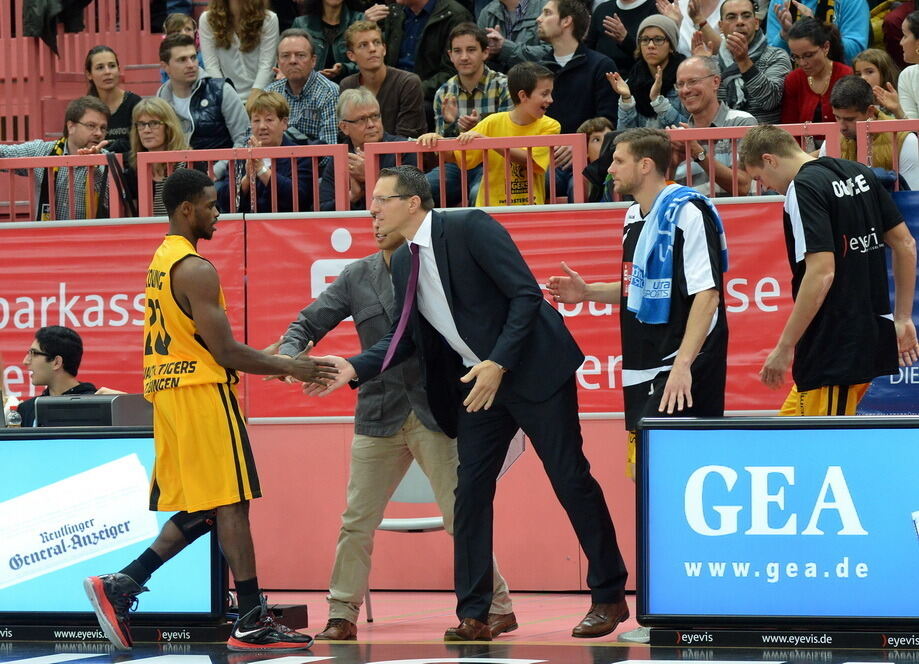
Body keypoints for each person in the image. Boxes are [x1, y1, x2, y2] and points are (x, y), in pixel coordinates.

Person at [312, 165, 631, 642]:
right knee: (470, 493)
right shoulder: (402, 262)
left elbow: (525, 296)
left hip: (532, 369)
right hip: (478, 386)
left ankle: (608, 597)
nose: (372, 208)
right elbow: (406, 339)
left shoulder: (470, 226)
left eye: (382, 199)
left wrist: (497, 362)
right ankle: (478, 613)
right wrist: (354, 366)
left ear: (413, 202)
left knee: (570, 479)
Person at [83, 168, 337, 652]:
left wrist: (270, 362)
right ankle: (249, 621)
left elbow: (201, 344)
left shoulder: (162, 257)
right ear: (186, 209)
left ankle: (123, 583)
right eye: (210, 204)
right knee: (234, 501)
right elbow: (223, 352)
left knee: (211, 504)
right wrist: (292, 367)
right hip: (201, 393)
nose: (217, 213)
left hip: (171, 394)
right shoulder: (197, 268)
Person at [277, 218, 515, 641]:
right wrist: (291, 356)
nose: (377, 221)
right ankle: (341, 614)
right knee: (356, 520)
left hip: (435, 412)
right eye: (371, 213)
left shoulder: (437, 270)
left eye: (384, 208)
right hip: (377, 413)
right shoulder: (356, 275)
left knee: (462, 517)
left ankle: (497, 606)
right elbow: (308, 322)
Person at [547, 127, 729, 642]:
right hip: (642, 369)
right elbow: (639, 291)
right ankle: (668, 604)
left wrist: (683, 365)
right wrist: (589, 292)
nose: (611, 169)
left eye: (619, 160)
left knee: (683, 489)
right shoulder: (632, 218)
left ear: (646, 166)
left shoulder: (690, 213)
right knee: (649, 486)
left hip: (679, 369)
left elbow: (707, 296)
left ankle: (691, 604)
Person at [738, 124, 919, 415]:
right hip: (861, 334)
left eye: (761, 178)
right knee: (788, 434)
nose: (767, 187)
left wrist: (785, 347)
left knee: (823, 448)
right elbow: (905, 244)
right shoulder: (857, 172)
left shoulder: (803, 188)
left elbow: (822, 273)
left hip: (834, 345)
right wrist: (902, 318)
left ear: (770, 159)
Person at [418, 61, 560, 206]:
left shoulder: (551, 126)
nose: (550, 100)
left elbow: (530, 160)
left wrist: (488, 142)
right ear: (523, 96)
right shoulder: (492, 122)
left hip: (530, 208)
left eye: (550, 93)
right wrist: (436, 141)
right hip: (491, 209)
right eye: (544, 94)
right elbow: (457, 156)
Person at [428, 22, 512, 205]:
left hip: (493, 163)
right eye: (457, 51)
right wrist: (451, 125)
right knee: (421, 188)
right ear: (450, 56)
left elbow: (509, 138)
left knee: (479, 192)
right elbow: (443, 151)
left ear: (485, 52)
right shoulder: (443, 92)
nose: (464, 57)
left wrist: (478, 130)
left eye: (471, 50)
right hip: (457, 165)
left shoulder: (504, 85)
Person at [0, 96, 110, 221]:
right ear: (71, 127)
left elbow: (111, 205)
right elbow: (3, 153)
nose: (99, 133)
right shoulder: (42, 151)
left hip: (91, 237)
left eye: (103, 128)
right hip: (46, 237)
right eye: (91, 125)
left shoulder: (108, 160)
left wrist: (94, 166)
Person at [157, 33, 249, 180]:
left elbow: (245, 138)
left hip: (224, 179)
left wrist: (216, 171)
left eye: (193, 57)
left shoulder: (221, 90)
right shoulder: (162, 96)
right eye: (182, 60)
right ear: (165, 66)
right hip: (179, 179)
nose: (191, 64)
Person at [216, 91, 315, 212]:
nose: (262, 126)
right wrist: (247, 179)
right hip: (248, 227)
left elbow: (301, 198)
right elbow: (224, 201)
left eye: (269, 120)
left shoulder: (300, 156)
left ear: (284, 123)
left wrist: (262, 170)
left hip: (287, 226)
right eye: (256, 121)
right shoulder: (241, 156)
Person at [319, 88, 415, 210]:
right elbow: (322, 209)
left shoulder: (403, 149)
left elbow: (412, 198)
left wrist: (371, 176)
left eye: (375, 116)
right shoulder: (340, 157)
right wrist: (352, 197)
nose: (371, 124)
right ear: (344, 127)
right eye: (362, 119)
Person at [697, 0, 791, 124]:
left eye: (746, 16)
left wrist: (744, 61)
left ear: (756, 23)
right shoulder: (712, 64)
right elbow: (696, 109)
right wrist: (698, 71)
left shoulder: (776, 56)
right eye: (731, 17)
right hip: (723, 140)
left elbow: (770, 101)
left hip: (766, 139)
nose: (740, 22)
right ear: (721, 26)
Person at [673, 55, 755, 196]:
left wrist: (698, 154)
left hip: (736, 216)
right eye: (680, 84)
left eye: (693, 81)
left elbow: (743, 187)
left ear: (715, 82)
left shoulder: (741, 122)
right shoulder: (678, 136)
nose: (685, 90)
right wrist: (671, 162)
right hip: (694, 216)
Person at [823, 75, 919, 191]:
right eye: (837, 117)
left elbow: (912, 196)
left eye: (849, 119)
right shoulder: (831, 140)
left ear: (870, 111)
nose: (842, 127)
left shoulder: (905, 140)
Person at [378, 0, 474, 115]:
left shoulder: (455, 15)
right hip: (394, 90)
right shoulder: (394, 12)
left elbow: (453, 71)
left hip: (429, 95)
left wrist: (414, 89)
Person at [340, 21, 427, 139]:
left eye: (376, 43)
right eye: (363, 45)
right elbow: (346, 134)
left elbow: (407, 138)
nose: (372, 49)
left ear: (384, 49)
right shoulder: (348, 85)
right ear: (351, 55)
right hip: (360, 154)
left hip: (401, 156)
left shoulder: (408, 83)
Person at [608, 14, 687, 129]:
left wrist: (658, 102)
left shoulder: (684, 80)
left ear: (671, 46)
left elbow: (690, 128)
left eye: (658, 39)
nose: (650, 45)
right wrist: (626, 99)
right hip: (642, 147)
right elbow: (624, 137)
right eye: (645, 40)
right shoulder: (632, 81)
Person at [265, 29, 340, 147]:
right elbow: (252, 138)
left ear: (313, 60)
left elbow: (330, 149)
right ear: (278, 62)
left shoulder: (329, 92)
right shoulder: (270, 93)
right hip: (275, 163)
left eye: (300, 55)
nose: (293, 61)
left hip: (314, 164)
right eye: (285, 56)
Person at [199, 0, 280, 101]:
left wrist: (253, 99)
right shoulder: (207, 19)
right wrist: (228, 100)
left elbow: (267, 66)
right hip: (226, 98)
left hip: (262, 98)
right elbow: (211, 66)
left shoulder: (269, 19)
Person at [18, 327, 98, 428]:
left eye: (34, 353)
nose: (25, 361)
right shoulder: (27, 409)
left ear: (57, 362)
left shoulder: (98, 406)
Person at [125, 97, 191, 216]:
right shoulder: (134, 170)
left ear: (169, 127)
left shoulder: (189, 164)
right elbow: (133, 218)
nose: (146, 130)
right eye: (141, 124)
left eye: (154, 123)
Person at [779, 17, 852, 124]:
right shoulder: (793, 79)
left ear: (826, 47)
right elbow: (789, 126)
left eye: (808, 55)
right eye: (796, 57)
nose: (802, 63)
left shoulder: (846, 75)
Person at [766, 0, 869, 65]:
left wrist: (817, 30)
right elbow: (769, 59)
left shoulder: (853, 2)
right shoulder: (779, 2)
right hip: (791, 82)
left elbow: (856, 53)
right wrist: (785, 34)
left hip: (838, 81)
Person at [85, 45, 142, 154]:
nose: (107, 72)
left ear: (119, 70)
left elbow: (141, 145)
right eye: (100, 67)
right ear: (89, 74)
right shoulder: (85, 109)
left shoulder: (134, 103)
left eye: (112, 66)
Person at [291, 0, 364, 81]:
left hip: (351, 88)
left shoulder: (360, 20)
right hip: (310, 87)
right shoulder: (301, 24)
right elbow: (290, 59)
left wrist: (344, 68)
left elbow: (368, 62)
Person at [585, 0, 659, 74]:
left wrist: (626, 40)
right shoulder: (602, 9)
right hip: (600, 78)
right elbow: (588, 50)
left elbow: (655, 57)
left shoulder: (656, 9)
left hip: (637, 79)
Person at [478, 0, 543, 73]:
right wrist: (487, 53)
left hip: (535, 80)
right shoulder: (487, 12)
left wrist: (505, 47)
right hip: (497, 81)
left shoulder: (545, 8)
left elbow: (550, 54)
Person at [852, 48, 904, 118]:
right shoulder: (854, 103)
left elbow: (909, 128)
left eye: (869, 72)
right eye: (858, 74)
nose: (863, 78)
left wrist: (897, 110)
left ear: (884, 73)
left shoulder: (900, 99)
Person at [159, 13, 207, 83]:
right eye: (177, 31)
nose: (184, 33)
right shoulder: (167, 64)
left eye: (188, 29)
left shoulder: (203, 58)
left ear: (195, 33)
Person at [897, 11, 919, 119]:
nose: (901, 42)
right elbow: (911, 128)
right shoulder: (907, 76)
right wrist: (897, 110)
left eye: (905, 36)